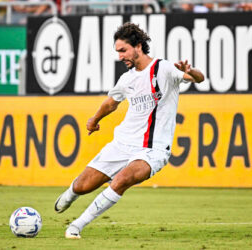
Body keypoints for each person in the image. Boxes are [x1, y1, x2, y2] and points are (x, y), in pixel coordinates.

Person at [54, 22, 205, 239]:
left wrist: (191, 71)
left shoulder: (163, 69)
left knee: (122, 180)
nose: (120, 56)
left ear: (139, 46)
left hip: (153, 149)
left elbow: (197, 79)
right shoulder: (127, 79)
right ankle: (71, 194)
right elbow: (111, 103)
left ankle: (76, 225)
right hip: (122, 144)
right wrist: (94, 120)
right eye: (117, 52)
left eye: (123, 50)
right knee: (82, 185)